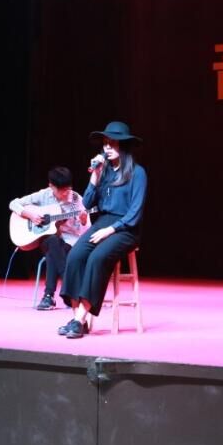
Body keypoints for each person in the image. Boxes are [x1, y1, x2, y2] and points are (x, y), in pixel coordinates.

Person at [58, 121, 148, 339]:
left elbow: (134, 214)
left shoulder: (138, 173)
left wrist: (110, 230)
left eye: (113, 143)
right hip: (102, 222)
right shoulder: (104, 171)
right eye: (105, 143)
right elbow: (87, 204)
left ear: (124, 145)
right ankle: (77, 319)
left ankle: (79, 319)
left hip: (125, 228)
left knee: (97, 258)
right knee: (75, 256)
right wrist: (94, 178)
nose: (107, 147)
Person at [9, 166, 89, 310]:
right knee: (52, 241)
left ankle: (48, 296)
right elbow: (13, 203)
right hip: (48, 240)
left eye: (68, 189)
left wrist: (83, 220)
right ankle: (70, 288)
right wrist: (30, 215)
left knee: (53, 250)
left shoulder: (76, 199)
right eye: (61, 190)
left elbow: (85, 230)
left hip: (70, 242)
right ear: (51, 186)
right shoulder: (44, 195)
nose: (66, 193)